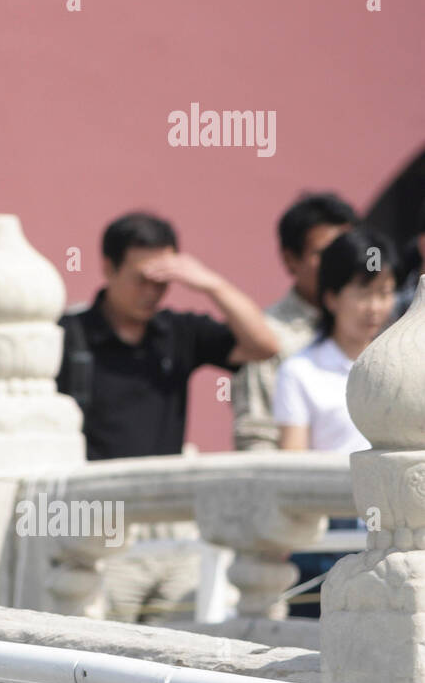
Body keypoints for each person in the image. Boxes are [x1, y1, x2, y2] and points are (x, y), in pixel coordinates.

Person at [56, 212, 278, 622]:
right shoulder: (69, 334)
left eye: (164, 280)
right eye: (142, 278)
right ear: (108, 267)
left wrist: (209, 282)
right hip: (100, 527)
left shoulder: (177, 332)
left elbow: (264, 344)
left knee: (184, 649)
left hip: (174, 526)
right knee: (100, 657)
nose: (152, 292)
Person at [276, 226, 400, 617]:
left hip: (399, 528)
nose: (375, 308)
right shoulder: (300, 371)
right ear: (331, 297)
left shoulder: (406, 367)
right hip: (329, 535)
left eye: (384, 292)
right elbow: (292, 462)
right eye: (363, 293)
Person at [233, 193, 357, 450]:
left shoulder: (379, 325)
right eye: (324, 253)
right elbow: (256, 438)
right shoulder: (265, 335)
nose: (338, 264)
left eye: (344, 251)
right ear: (291, 259)